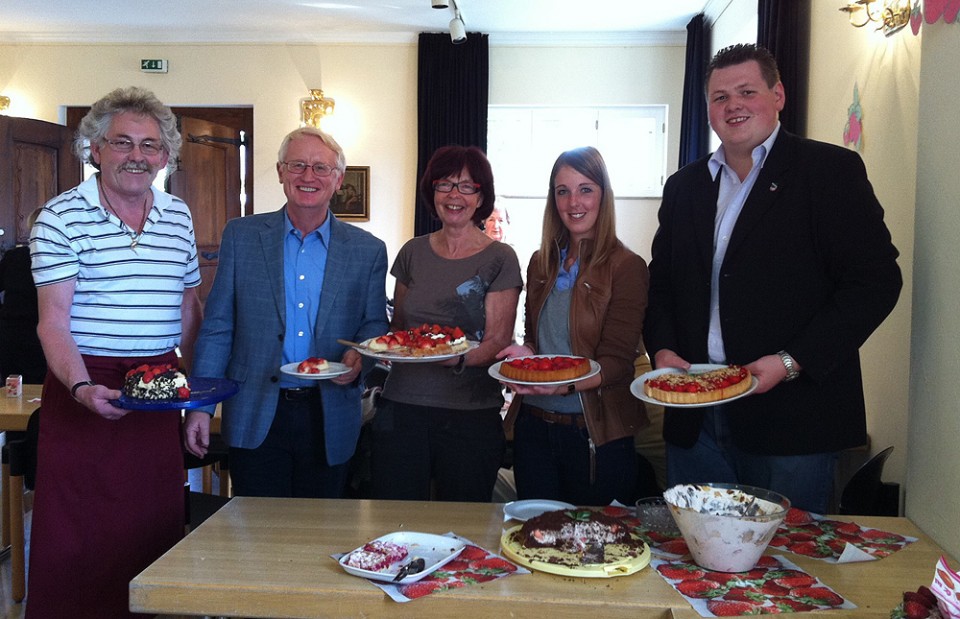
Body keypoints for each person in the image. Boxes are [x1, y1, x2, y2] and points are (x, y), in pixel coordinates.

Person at [643, 44, 902, 514]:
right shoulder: (684, 187)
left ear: (778, 94)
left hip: (793, 419)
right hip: (696, 420)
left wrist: (789, 361)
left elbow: (876, 282)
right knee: (696, 567)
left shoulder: (829, 172)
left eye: (747, 91)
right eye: (720, 97)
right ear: (707, 109)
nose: (733, 105)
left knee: (786, 569)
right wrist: (661, 350)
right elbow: (659, 287)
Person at [27, 86, 202, 617]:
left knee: (152, 534)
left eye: (151, 146)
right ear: (95, 150)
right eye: (122, 142)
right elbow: (52, 322)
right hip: (85, 390)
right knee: (76, 543)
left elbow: (191, 311)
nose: (137, 156)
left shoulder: (179, 216)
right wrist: (81, 388)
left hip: (158, 392)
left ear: (165, 156)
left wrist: (193, 398)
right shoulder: (59, 218)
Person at [183, 126, 388, 499]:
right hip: (255, 409)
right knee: (255, 532)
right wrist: (200, 406)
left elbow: (374, 324)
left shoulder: (367, 250)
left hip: (329, 415)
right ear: (280, 172)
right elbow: (217, 328)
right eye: (297, 165)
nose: (308, 176)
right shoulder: (241, 236)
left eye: (321, 168)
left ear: (338, 179)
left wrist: (360, 357)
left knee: (321, 532)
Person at [368, 145, 522, 502]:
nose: (455, 195)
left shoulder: (500, 258)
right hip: (401, 409)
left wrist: (456, 358)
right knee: (396, 519)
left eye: (467, 186)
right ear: (432, 191)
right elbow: (402, 328)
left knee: (464, 523)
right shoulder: (412, 252)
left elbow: (498, 341)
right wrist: (392, 345)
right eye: (445, 184)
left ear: (481, 195)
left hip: (469, 414)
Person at [498, 146, 649, 506]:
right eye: (562, 191)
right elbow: (536, 339)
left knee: (597, 553)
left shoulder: (627, 267)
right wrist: (526, 353)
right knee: (535, 540)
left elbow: (617, 364)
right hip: (533, 430)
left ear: (603, 195)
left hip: (595, 434)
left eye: (585, 189)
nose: (573, 202)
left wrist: (561, 386)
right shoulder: (541, 262)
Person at [0, 209, 47, 383]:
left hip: (12, 332)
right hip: (46, 331)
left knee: (13, 386)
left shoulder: (14, 257)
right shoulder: (63, 258)